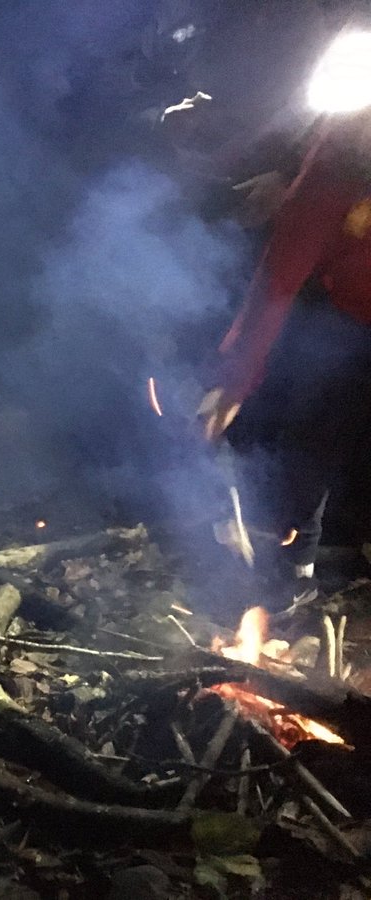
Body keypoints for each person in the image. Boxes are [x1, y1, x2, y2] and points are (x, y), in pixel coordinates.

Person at [200, 110, 371, 607]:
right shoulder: (339, 159)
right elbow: (279, 277)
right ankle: (295, 572)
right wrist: (232, 381)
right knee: (315, 432)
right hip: (353, 315)